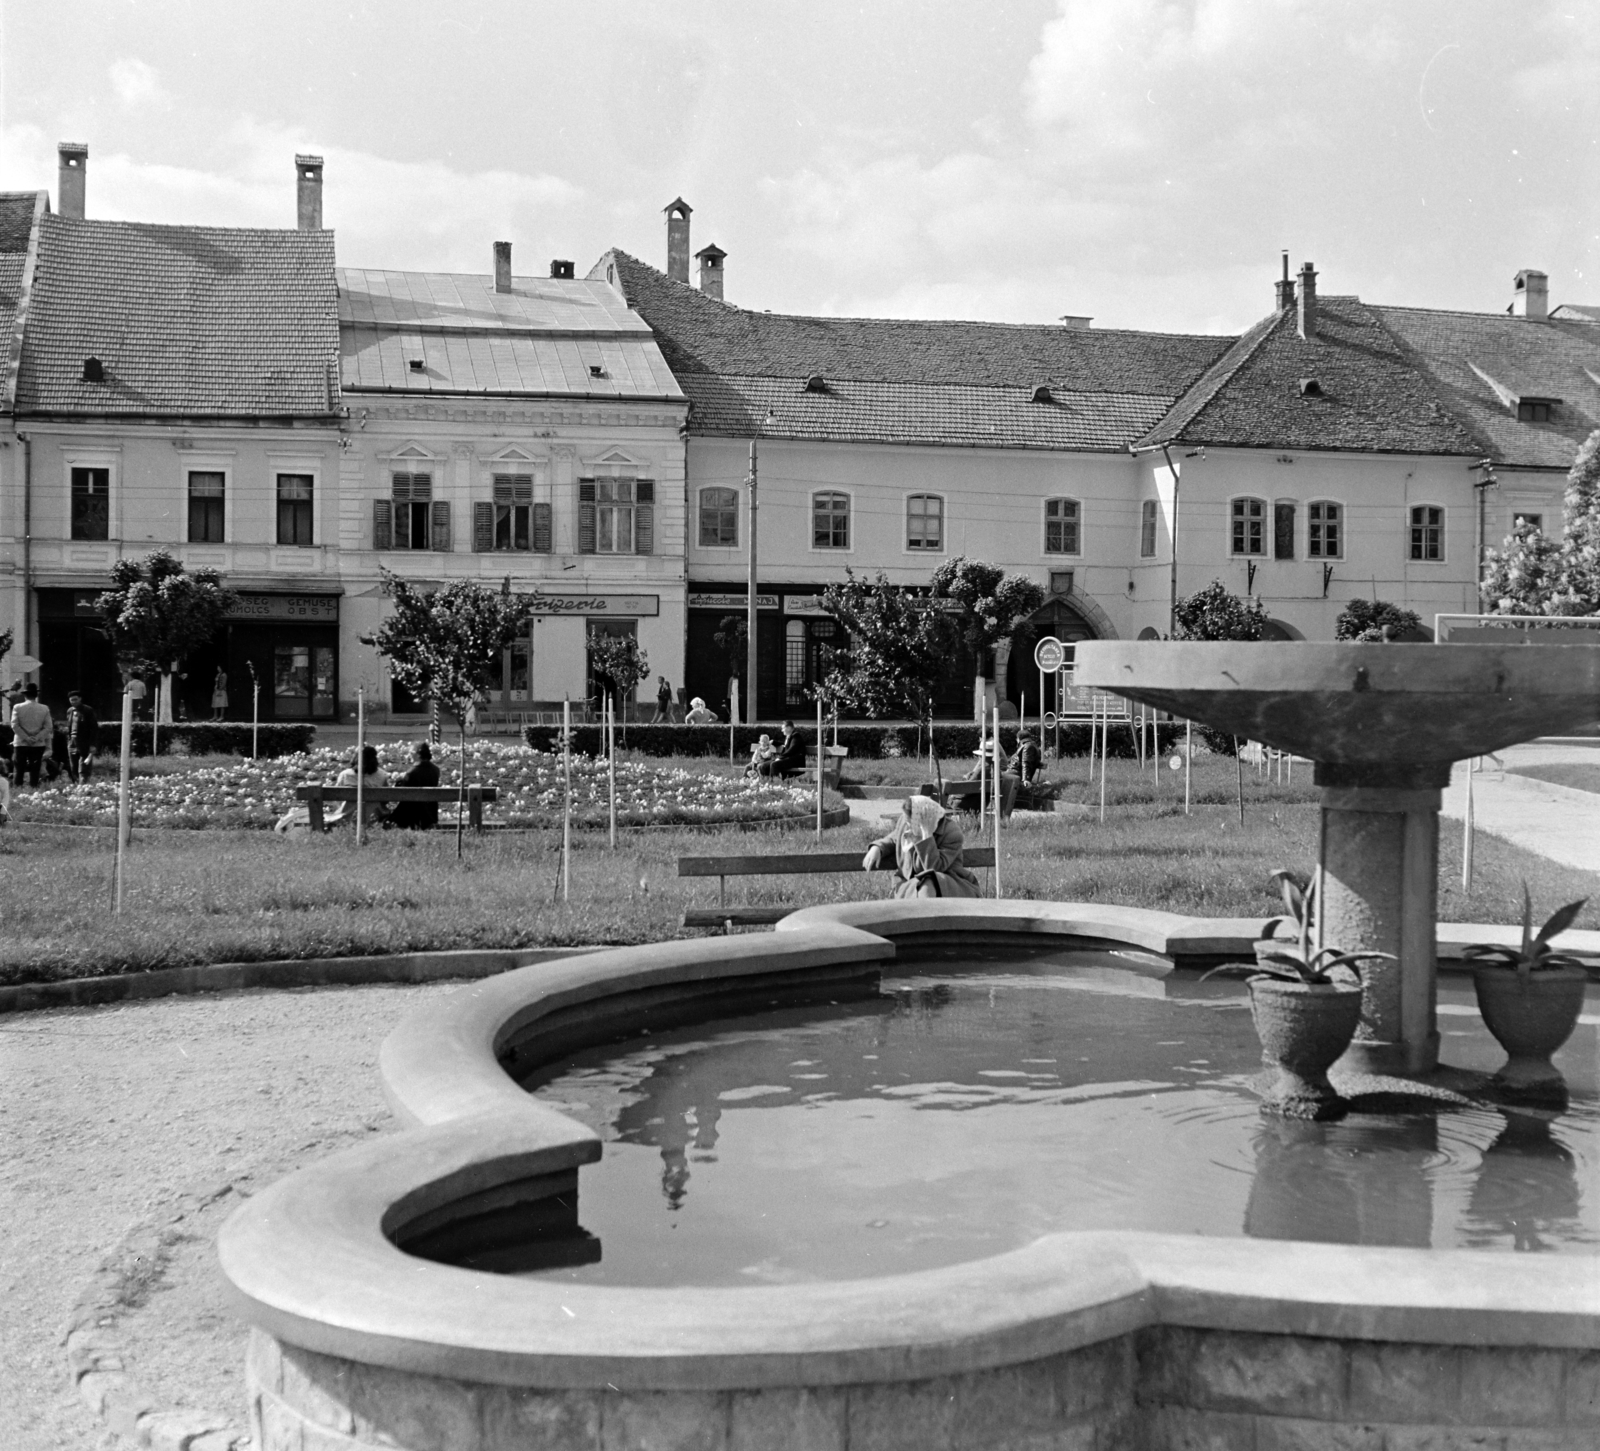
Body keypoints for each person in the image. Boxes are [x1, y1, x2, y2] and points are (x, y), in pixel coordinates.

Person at [862, 794, 981, 899]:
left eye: (910, 822)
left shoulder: (951, 832)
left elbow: (934, 867)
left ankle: (928, 922)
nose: (907, 826)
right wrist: (877, 848)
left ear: (922, 819)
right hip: (910, 882)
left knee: (927, 882)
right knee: (923, 885)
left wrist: (926, 837)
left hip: (949, 883)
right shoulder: (907, 822)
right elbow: (895, 837)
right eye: (906, 821)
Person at [388, 742, 441, 829]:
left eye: (411, 752)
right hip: (431, 815)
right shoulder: (436, 770)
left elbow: (401, 794)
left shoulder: (411, 772)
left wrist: (399, 782)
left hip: (412, 816)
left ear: (419, 754)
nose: (409, 755)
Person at [9, 684, 52, 789]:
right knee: (35, 768)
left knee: (19, 768)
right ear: (36, 695)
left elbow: (14, 725)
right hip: (38, 743)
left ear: (25, 695)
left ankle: (18, 788)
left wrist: (26, 738)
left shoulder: (17, 707)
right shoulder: (44, 708)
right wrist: (36, 737)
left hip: (21, 742)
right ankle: (34, 788)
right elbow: (48, 727)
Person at [64, 690, 100, 783]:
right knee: (73, 767)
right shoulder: (69, 711)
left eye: (75, 700)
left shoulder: (88, 710)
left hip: (84, 742)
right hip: (72, 742)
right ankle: (76, 785)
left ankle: (84, 786)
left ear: (80, 699)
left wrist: (93, 744)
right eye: (71, 700)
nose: (73, 702)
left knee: (84, 767)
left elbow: (94, 728)